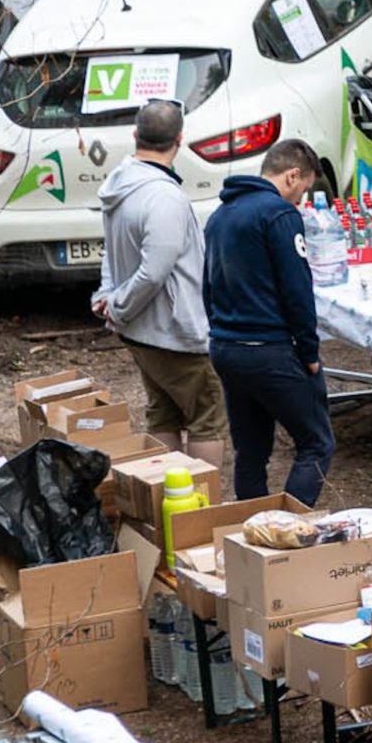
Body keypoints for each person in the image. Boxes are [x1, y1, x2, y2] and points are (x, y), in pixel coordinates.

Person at [92, 100, 227, 469]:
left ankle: (165, 502)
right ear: (180, 139)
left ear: (135, 135)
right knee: (207, 418)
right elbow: (154, 271)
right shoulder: (164, 197)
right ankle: (199, 509)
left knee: (163, 413)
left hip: (141, 330)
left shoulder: (120, 182)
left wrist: (110, 296)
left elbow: (112, 249)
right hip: (174, 332)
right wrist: (116, 304)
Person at [201, 139, 333, 506]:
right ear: (293, 176)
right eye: (303, 191)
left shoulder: (219, 217)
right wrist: (309, 352)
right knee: (317, 443)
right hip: (268, 349)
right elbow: (297, 289)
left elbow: (208, 286)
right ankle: (285, 534)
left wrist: (219, 332)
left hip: (227, 347)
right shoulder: (279, 215)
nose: (301, 202)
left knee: (252, 450)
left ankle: (252, 537)